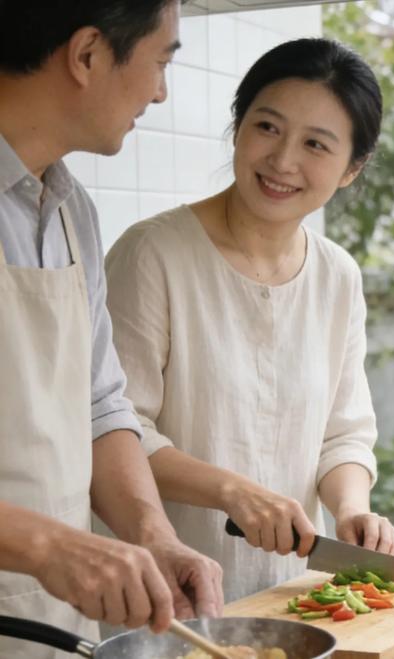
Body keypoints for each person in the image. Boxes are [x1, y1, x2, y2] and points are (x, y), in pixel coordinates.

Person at [104, 38, 394, 602]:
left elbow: (344, 433)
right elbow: (116, 429)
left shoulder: (337, 275)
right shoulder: (153, 255)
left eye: (316, 144)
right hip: (165, 594)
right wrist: (233, 491)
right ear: (238, 126)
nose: (283, 161)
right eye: (267, 127)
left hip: (293, 598)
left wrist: (353, 508)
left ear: (351, 169)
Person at [0, 1, 223, 653]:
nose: (160, 90)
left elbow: (99, 405)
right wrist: (47, 543)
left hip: (50, 619)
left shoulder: (74, 213)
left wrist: (154, 536)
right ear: (88, 53)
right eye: (161, 60)